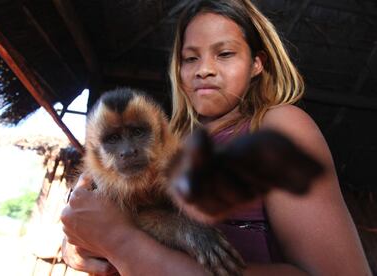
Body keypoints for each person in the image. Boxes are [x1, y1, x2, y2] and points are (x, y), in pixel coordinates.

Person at [61, 0, 372, 275]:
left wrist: (122, 242)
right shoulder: (167, 147)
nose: (204, 70)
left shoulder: (276, 126)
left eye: (224, 53)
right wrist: (79, 241)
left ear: (256, 64)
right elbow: (110, 214)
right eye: (190, 58)